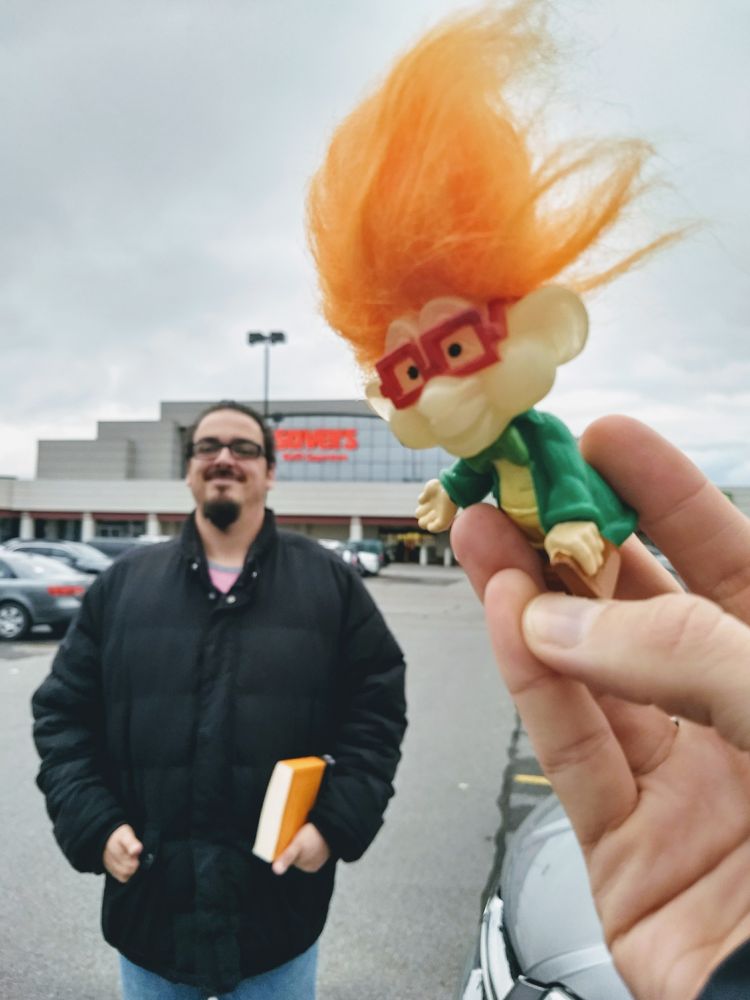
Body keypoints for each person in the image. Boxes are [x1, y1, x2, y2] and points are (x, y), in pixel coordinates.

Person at [32, 400, 407, 1000]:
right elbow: (62, 716)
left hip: (276, 919)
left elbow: (376, 715)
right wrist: (93, 823)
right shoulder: (123, 586)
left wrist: (334, 825)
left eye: (244, 448)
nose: (224, 458)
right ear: (189, 469)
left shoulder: (329, 584)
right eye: (208, 447)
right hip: (152, 918)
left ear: (270, 471)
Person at [452, 414, 750, 1000]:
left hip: (580, 530)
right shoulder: (488, 440)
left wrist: (570, 519)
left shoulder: (538, 427)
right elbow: (469, 472)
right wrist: (449, 491)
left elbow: (567, 472)